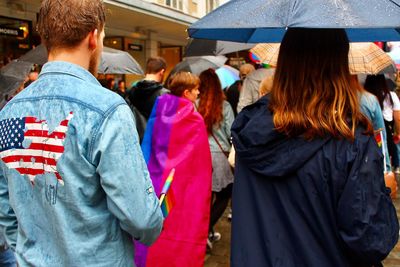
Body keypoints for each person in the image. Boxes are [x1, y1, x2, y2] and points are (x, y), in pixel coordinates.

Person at [0, 1, 163, 266]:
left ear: (45, 38)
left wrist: (28, 252)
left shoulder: (9, 112)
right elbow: (142, 220)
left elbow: (6, 208)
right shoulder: (108, 110)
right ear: (93, 36)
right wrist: (155, 219)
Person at [231, 28, 399, 267]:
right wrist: (384, 192)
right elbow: (371, 241)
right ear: (340, 65)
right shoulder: (349, 141)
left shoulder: (251, 130)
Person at [135, 71, 212, 267]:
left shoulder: (159, 110)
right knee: (182, 228)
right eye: (196, 90)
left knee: (160, 228)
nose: (198, 94)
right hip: (183, 187)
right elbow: (200, 163)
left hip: (158, 182)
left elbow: (149, 147)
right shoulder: (194, 120)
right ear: (187, 93)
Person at [197, 68, 234, 250]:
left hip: (199, 155)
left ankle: (205, 232)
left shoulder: (194, 104)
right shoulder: (224, 106)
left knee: (205, 196)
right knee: (225, 195)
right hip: (219, 156)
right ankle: (205, 231)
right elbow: (231, 132)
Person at [364, 74, 400, 173]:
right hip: (387, 126)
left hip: (369, 128)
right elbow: (398, 118)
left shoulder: (365, 97)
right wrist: (398, 132)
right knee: (385, 145)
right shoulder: (391, 95)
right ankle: (393, 167)